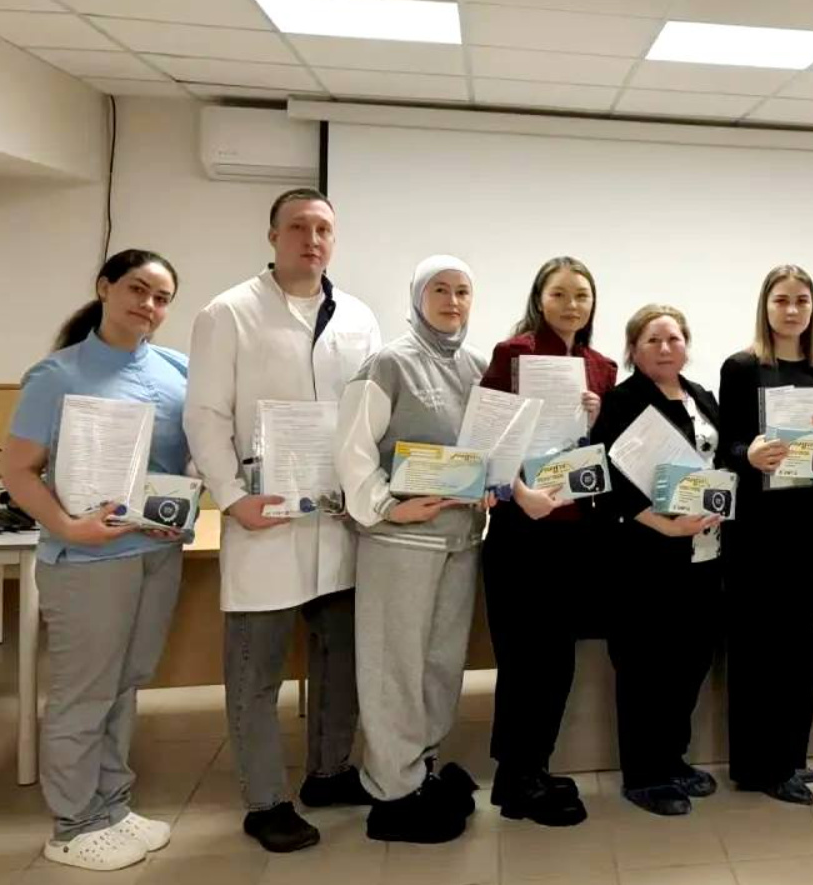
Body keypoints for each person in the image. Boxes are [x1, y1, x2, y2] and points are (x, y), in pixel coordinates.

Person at [184, 187, 382, 853]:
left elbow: (370, 416)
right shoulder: (228, 313)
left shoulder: (359, 317)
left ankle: (329, 772)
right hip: (264, 519)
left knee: (340, 661)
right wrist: (230, 496)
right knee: (255, 671)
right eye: (298, 227)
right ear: (273, 236)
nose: (312, 239)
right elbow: (205, 414)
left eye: (323, 228)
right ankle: (265, 800)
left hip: (339, 520)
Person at [2, 250, 188, 872]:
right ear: (105, 288)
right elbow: (19, 473)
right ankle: (73, 823)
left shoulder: (176, 371)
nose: (149, 305)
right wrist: (68, 527)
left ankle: (111, 803)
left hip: (155, 552)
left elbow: (184, 461)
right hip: (87, 560)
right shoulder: (56, 375)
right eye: (137, 289)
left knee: (125, 683)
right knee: (84, 693)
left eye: (162, 298)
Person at [335, 255, 491, 844]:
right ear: (418, 297)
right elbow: (352, 449)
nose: (452, 301)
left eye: (462, 291)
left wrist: (496, 482)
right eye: (440, 290)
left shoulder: (477, 367)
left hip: (460, 538)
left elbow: (489, 446)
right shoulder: (389, 363)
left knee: (440, 664)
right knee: (393, 666)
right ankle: (391, 790)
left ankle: (420, 767)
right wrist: (386, 506)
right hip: (401, 541)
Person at [480, 257, 616, 827]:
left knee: (557, 662)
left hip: (575, 535)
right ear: (540, 298)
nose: (571, 305)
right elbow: (485, 440)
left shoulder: (601, 367)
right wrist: (518, 494)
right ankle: (513, 780)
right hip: (522, 531)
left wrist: (600, 415)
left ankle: (534, 767)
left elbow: (603, 453)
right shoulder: (513, 354)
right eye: (559, 294)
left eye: (581, 295)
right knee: (523, 660)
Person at [589, 304, 723, 816]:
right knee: (646, 668)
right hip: (645, 557)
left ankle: (672, 759)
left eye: (673, 339)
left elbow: (717, 462)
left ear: (686, 345)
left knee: (690, 662)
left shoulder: (702, 396)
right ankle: (644, 776)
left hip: (705, 554)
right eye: (652, 340)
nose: (665, 349)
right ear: (633, 350)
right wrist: (664, 524)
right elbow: (608, 483)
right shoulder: (622, 402)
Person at [718, 264, 813, 805]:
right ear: (765, 306)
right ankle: (757, 766)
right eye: (782, 300)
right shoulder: (742, 367)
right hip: (759, 530)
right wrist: (747, 453)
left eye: (802, 301)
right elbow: (726, 445)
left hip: (811, 523)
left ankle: (790, 755)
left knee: (801, 647)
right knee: (758, 650)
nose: (792, 310)